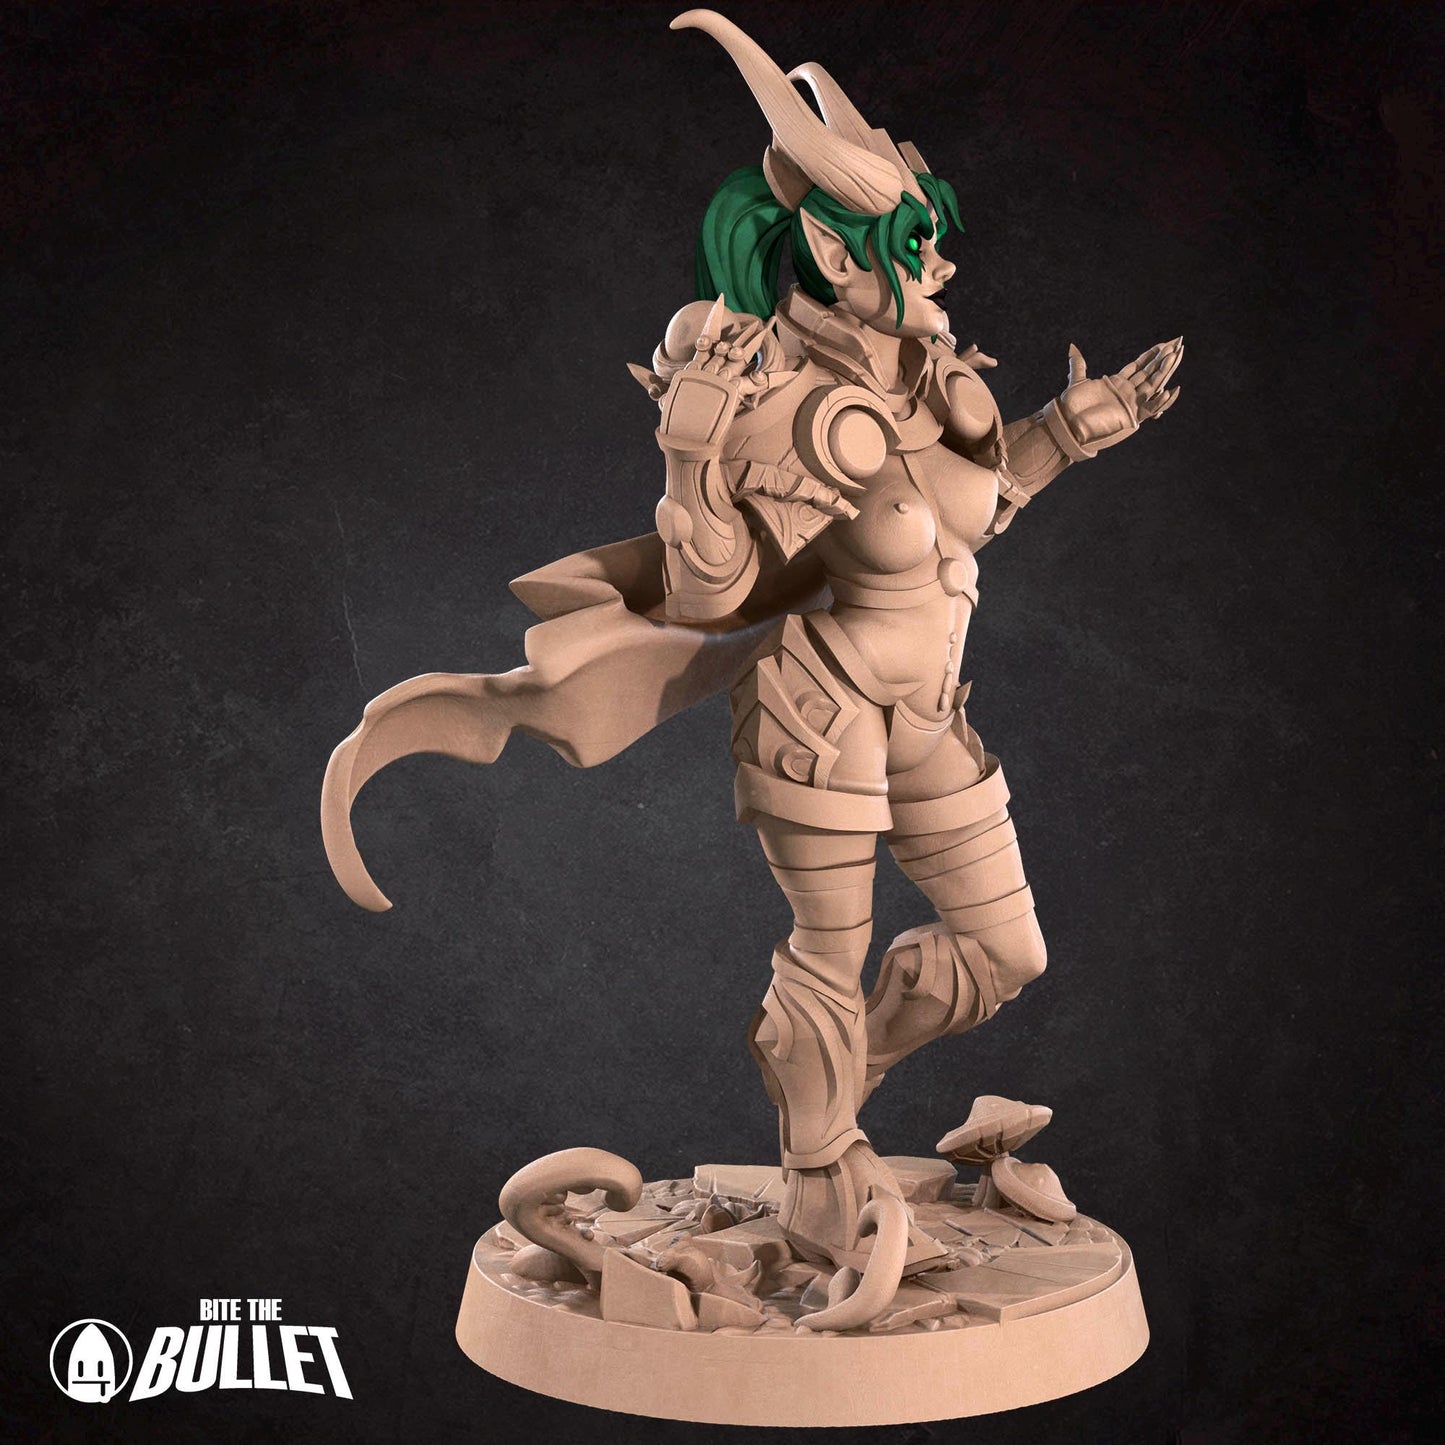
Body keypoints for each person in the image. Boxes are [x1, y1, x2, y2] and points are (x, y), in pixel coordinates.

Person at [321, 8, 1180, 1294]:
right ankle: (822, 1165)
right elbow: (710, 588)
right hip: (819, 712)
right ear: (833, 252)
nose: (938, 263)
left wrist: (1065, 428)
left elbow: (970, 512)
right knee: (829, 953)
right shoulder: (791, 403)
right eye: (911, 244)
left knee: (1007, 954)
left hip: (932, 714)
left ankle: (823, 1088)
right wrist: (691, 451)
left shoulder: (929, 376)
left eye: (931, 238)